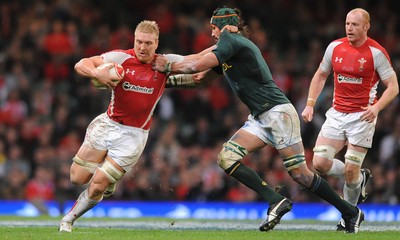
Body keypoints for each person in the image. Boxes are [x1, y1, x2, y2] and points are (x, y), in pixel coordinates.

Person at [153, 6, 364, 233]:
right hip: (260, 116)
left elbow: (194, 64)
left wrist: (165, 66)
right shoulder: (230, 47)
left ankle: (350, 212)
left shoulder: (230, 41)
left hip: (278, 113)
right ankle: (276, 200)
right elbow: (199, 77)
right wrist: (163, 82)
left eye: (213, 28)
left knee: (301, 174)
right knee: (227, 157)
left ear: (223, 27)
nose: (212, 34)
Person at [58, 20, 186, 232]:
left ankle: (68, 220)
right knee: (76, 178)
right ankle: (109, 180)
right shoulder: (121, 58)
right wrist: (96, 73)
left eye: (147, 43)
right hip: (107, 125)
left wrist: (222, 51)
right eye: (138, 42)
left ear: (156, 43)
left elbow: (197, 62)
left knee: (98, 183)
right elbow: (81, 63)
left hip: (133, 136)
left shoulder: (165, 64)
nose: (142, 47)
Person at [301, 8, 399, 230]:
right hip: (336, 113)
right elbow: (320, 74)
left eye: (355, 25)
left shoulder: (376, 53)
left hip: (362, 117)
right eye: (347, 24)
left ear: (366, 27)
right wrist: (309, 104)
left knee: (349, 171)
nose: (349, 28)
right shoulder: (334, 47)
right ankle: (360, 177)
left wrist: (376, 108)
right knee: (319, 164)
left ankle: (349, 218)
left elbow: (393, 87)